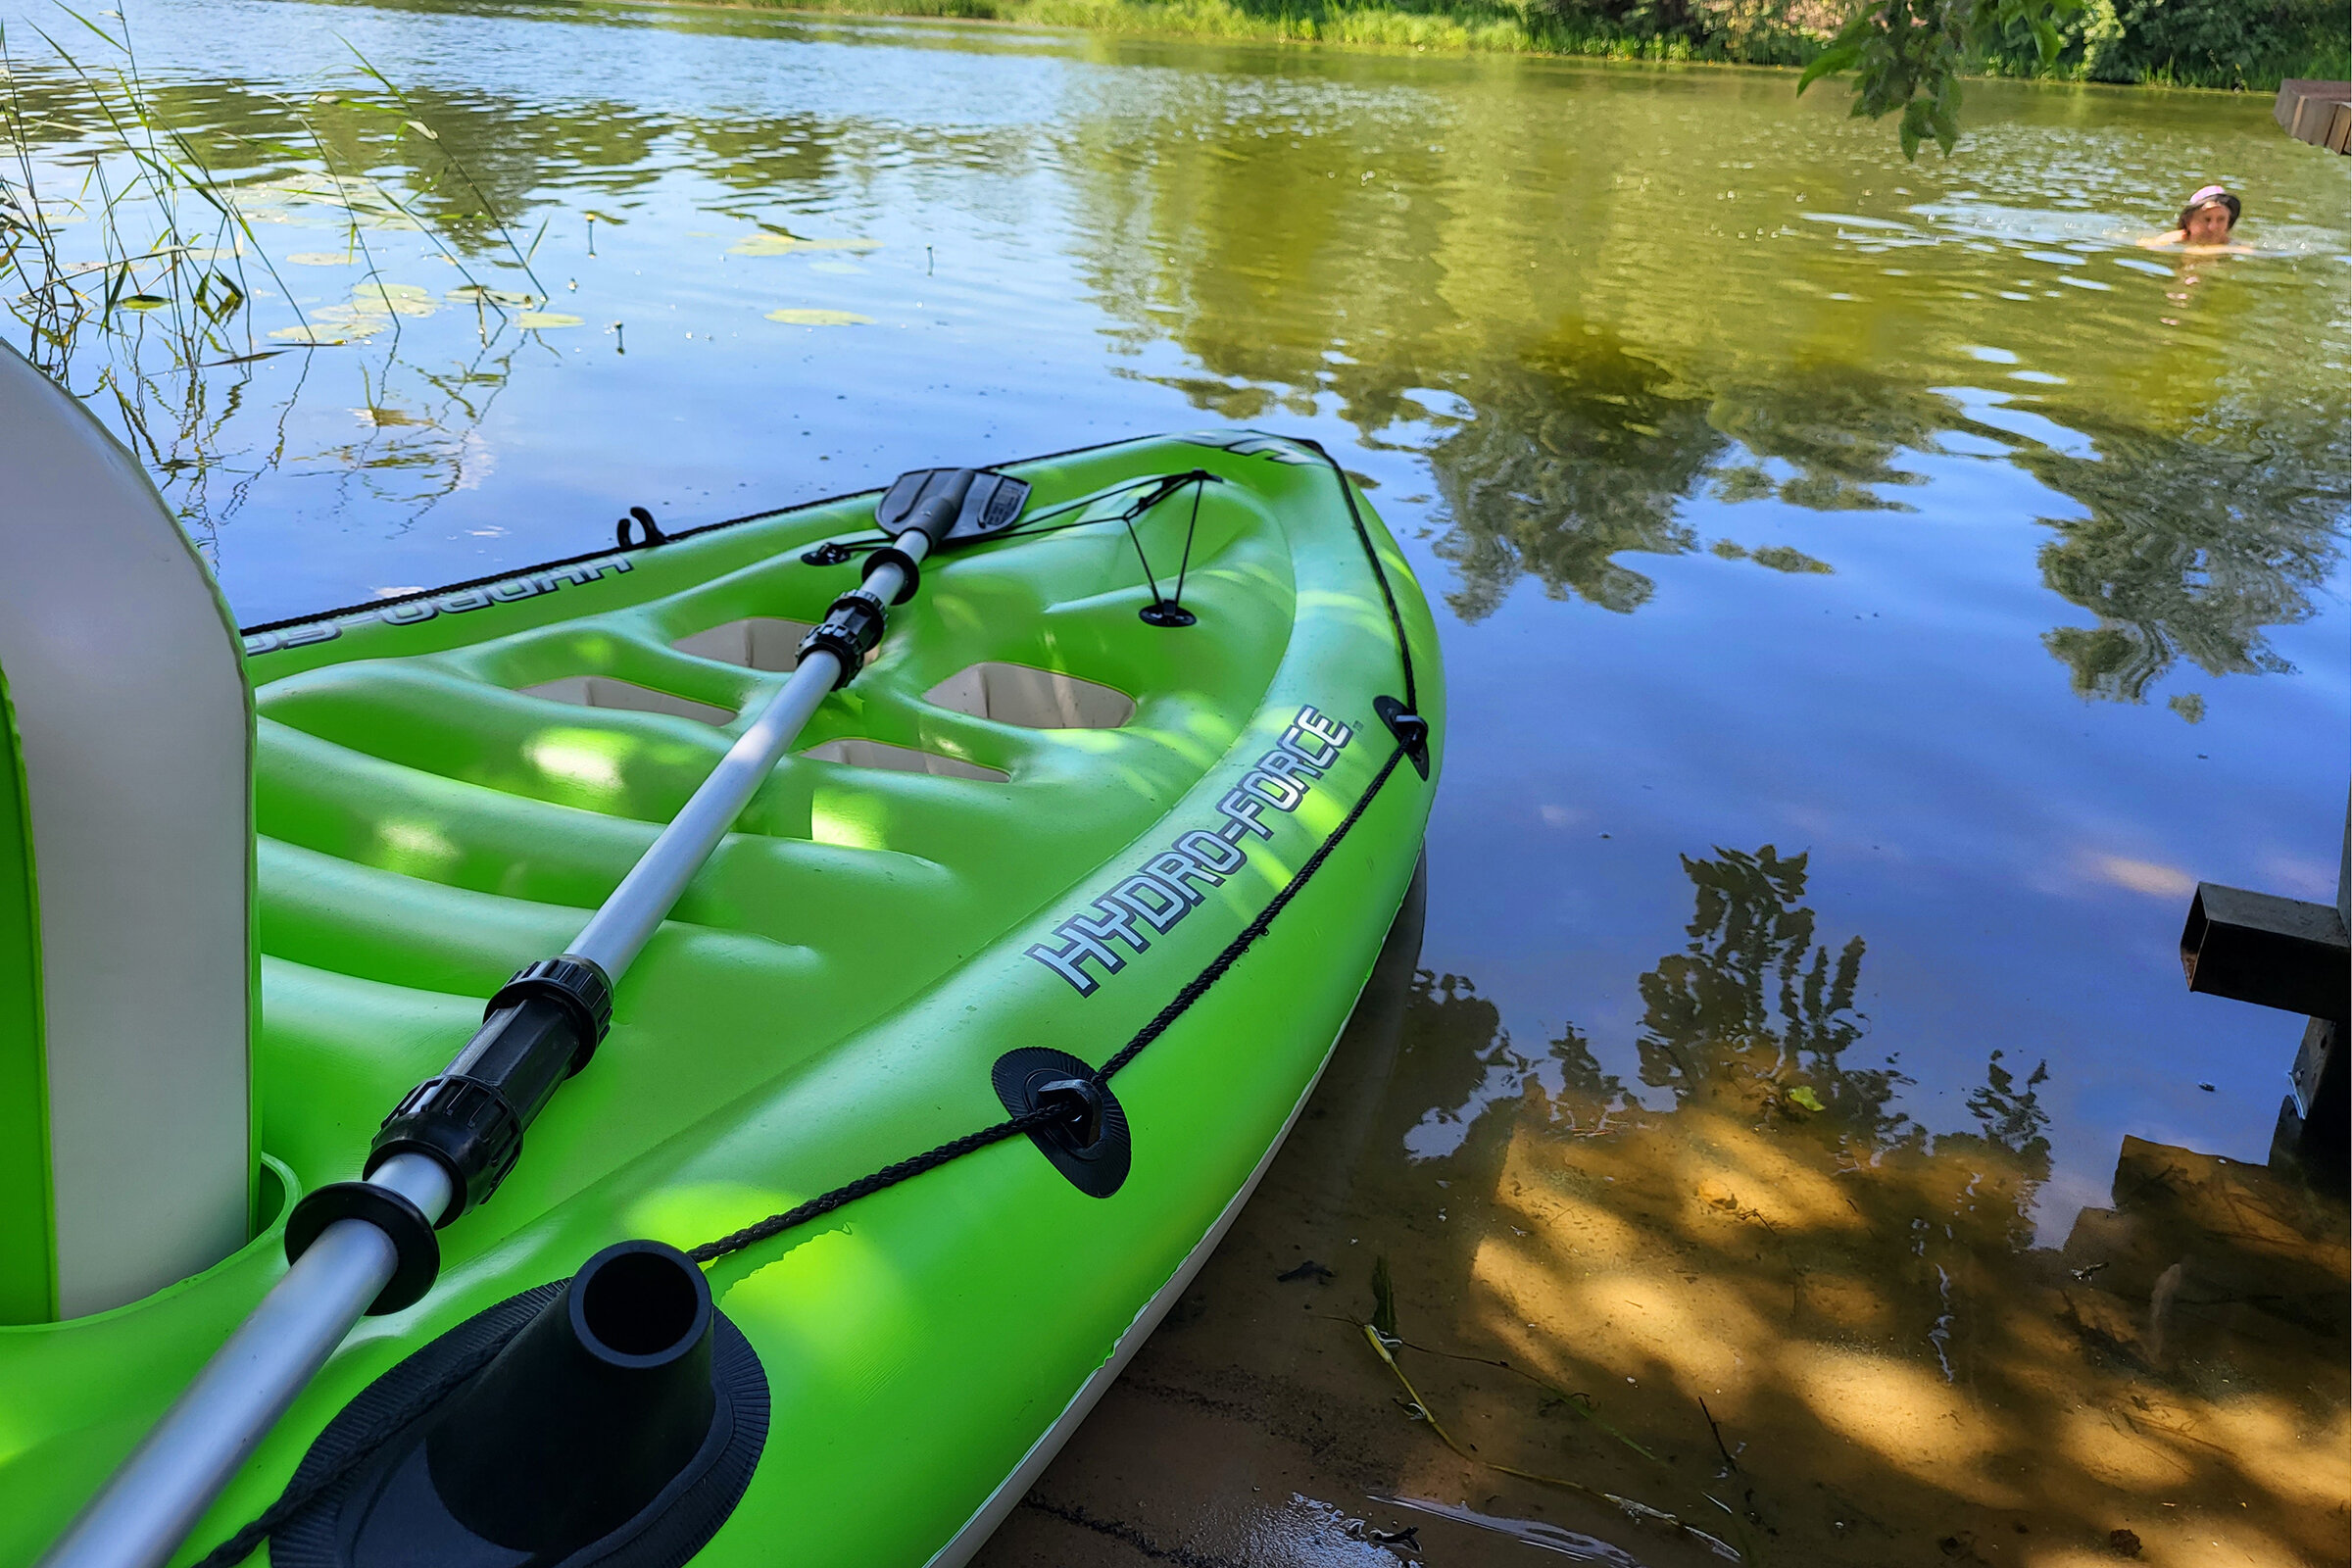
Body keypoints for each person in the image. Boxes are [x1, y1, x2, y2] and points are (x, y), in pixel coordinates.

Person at [2139, 185, 2250, 251]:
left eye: (2221, 220)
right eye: (2206, 219)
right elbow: (2143, 243)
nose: (2212, 227)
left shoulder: (2232, 245)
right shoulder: (2176, 239)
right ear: (2188, 222)